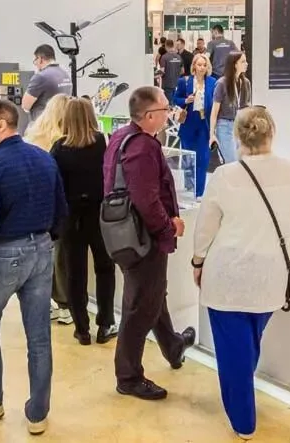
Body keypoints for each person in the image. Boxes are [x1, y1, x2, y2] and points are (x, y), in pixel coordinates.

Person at [194, 106, 290, 439]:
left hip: (226, 276)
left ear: (238, 137)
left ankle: (243, 421)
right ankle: (242, 397)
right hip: (269, 278)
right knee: (248, 345)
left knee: (234, 352)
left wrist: (198, 261)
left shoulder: (224, 176)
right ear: (271, 133)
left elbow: (205, 228)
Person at [0, 100, 66, 435]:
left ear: (2, 125)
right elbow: (61, 211)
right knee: (39, 336)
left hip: (5, 253)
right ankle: (38, 414)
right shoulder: (44, 158)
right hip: (42, 250)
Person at [104, 86, 194, 401]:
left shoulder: (121, 138)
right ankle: (128, 376)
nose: (169, 113)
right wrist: (168, 226)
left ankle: (172, 345)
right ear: (150, 115)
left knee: (152, 295)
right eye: (165, 108)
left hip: (127, 235)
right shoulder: (142, 147)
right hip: (143, 238)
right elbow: (146, 198)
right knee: (141, 304)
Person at [50, 98, 117, 346]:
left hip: (71, 217)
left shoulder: (59, 149)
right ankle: (106, 323)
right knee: (105, 268)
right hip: (100, 215)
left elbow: (54, 186)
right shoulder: (103, 142)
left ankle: (82, 328)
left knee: (75, 274)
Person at [24, 94, 75, 324]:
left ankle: (46, 303)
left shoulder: (33, 139)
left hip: (37, 210)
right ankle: (64, 304)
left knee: (43, 259)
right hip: (62, 210)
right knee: (62, 258)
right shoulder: (64, 144)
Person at [174, 54, 216, 198]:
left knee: (203, 159)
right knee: (188, 158)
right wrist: (186, 100)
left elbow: (215, 102)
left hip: (204, 124)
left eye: (204, 65)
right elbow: (175, 98)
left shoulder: (212, 82)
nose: (202, 68)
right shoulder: (184, 81)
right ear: (194, 66)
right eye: (199, 65)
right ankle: (190, 186)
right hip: (188, 124)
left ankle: (199, 192)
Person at [210, 51, 250, 164]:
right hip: (225, 126)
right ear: (234, 64)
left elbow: (246, 107)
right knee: (232, 162)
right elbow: (214, 112)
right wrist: (212, 135)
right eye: (243, 61)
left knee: (242, 161)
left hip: (241, 126)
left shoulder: (246, 83)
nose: (246, 64)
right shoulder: (221, 83)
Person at [22, 44, 73, 123]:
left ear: (40, 59)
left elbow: (25, 106)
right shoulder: (65, 73)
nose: (35, 63)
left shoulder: (40, 77)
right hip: (61, 122)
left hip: (44, 124)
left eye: (35, 60)